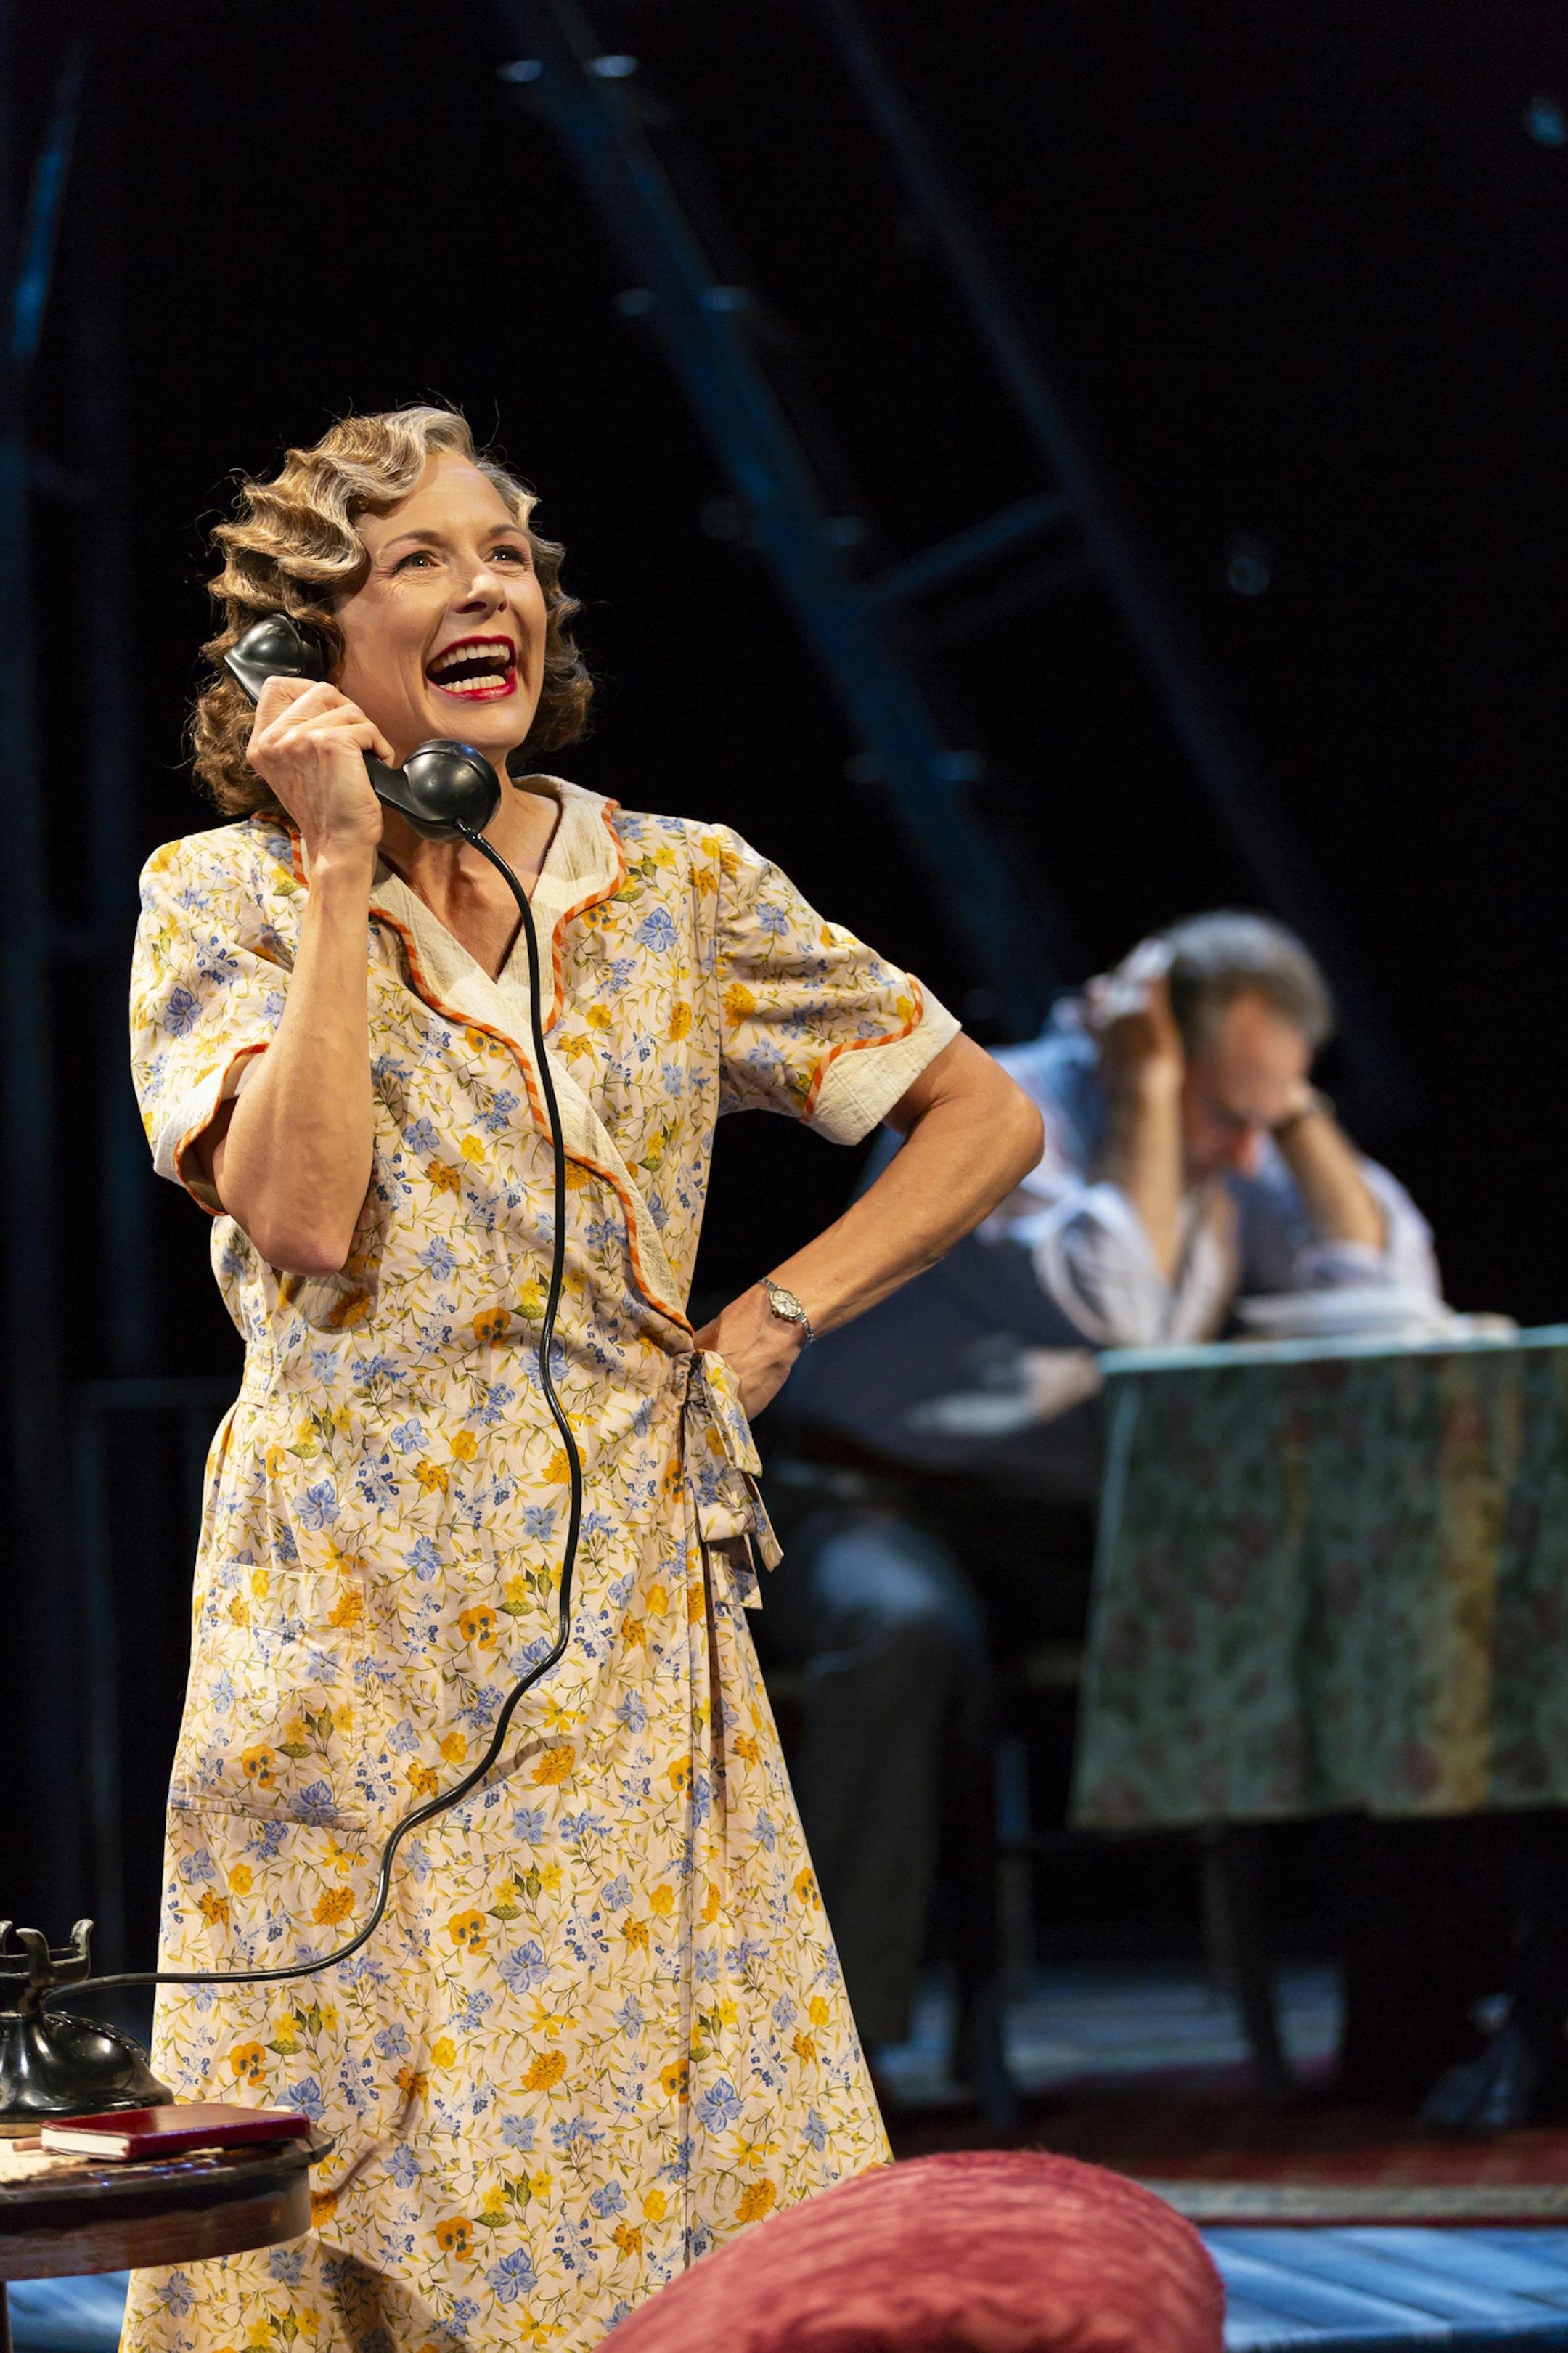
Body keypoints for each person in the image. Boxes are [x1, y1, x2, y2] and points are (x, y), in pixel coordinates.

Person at [122, 405, 1042, 2353]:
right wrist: (340, 865)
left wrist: (780, 1316)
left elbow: (981, 1114)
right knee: (339, 2136)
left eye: (511, 553)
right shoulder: (219, 897)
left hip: (617, 1606)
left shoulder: (684, 886)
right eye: (421, 561)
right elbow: (303, 1212)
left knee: (616, 2126)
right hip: (344, 1609)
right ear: (305, 646)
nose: (492, 589)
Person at [761, 914, 1440, 2059]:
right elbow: (1113, 1307)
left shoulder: (1232, 1129)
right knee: (900, 1630)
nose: (1248, 1156)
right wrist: (1148, 1104)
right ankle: (831, 2061)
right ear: (1149, 1044)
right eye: (1233, 1116)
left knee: (1367, 1599)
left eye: (1266, 1117)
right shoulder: (1002, 1113)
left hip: (1062, 1521)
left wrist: (1296, 1115)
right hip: (868, 1496)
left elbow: (1392, 1304)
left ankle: (1406, 2028)